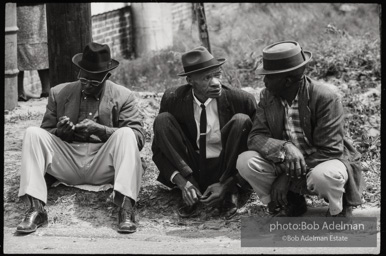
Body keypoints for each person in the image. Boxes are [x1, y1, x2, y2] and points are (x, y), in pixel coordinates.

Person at [16, 42, 145, 234]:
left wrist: (102, 130)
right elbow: (45, 134)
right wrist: (61, 132)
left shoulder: (123, 96)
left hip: (104, 162)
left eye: (94, 83)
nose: (86, 86)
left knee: (126, 133)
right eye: (83, 80)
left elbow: (138, 139)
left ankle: (126, 208)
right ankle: (36, 209)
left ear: (106, 77)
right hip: (68, 161)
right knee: (32, 133)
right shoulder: (59, 93)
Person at [237, 40, 364, 217]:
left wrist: (287, 178)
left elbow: (331, 150)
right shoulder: (268, 96)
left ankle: (339, 208)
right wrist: (286, 147)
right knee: (246, 161)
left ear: (287, 81)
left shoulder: (325, 98)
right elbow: (256, 136)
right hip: (287, 162)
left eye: (269, 76)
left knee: (325, 176)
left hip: (321, 162)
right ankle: (289, 202)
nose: (264, 81)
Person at [152, 46, 257, 219]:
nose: (215, 82)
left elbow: (256, 147)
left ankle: (230, 192)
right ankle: (190, 190)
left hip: (226, 166)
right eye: (207, 78)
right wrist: (182, 182)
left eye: (217, 75)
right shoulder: (173, 99)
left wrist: (228, 183)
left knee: (241, 121)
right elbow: (159, 150)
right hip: (192, 168)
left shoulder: (242, 100)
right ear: (190, 80)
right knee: (162, 120)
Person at [17, 3, 50, 101]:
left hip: (37, 9)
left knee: (41, 47)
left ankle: (46, 91)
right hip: (17, 10)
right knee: (17, 49)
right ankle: (19, 92)